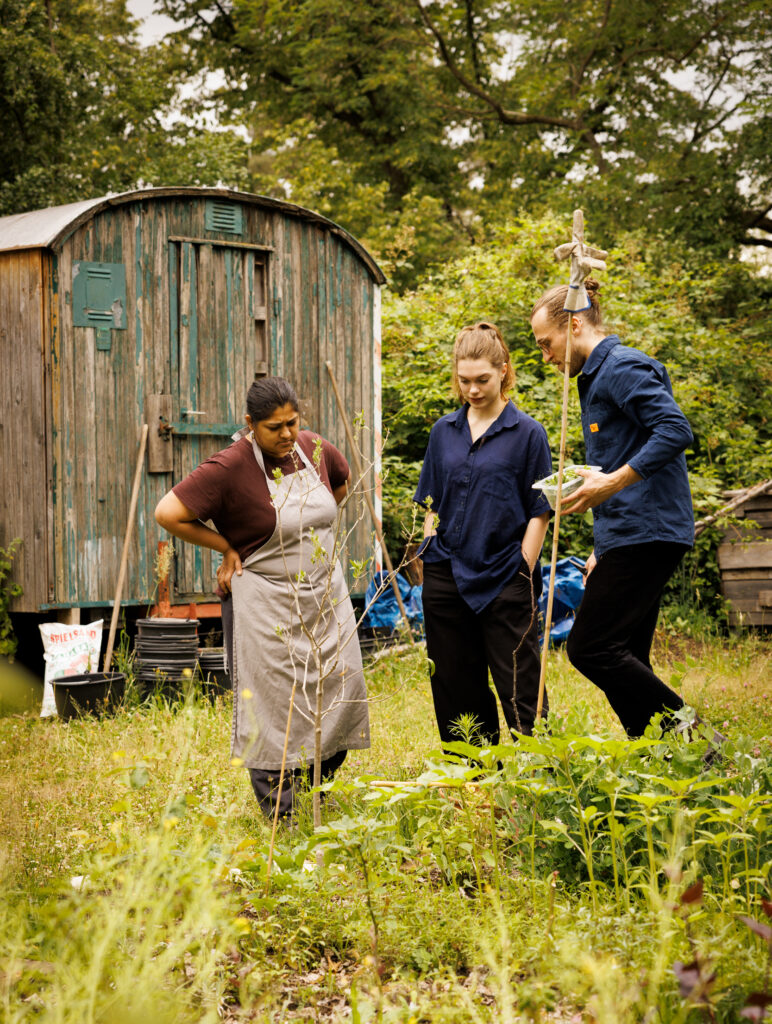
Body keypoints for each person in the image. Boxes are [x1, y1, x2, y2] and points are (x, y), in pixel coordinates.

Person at [155, 377, 370, 816]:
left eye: (293, 422)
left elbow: (340, 489)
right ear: (250, 424)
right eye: (275, 427)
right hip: (265, 599)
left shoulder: (315, 449)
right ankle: (280, 813)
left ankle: (317, 787)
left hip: (325, 594)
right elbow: (168, 513)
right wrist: (226, 547)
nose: (288, 434)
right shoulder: (230, 467)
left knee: (339, 689)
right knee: (272, 704)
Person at [530, 279, 696, 737]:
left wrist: (616, 481)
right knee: (627, 654)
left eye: (547, 343)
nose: (545, 356)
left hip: (650, 531)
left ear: (576, 324)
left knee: (591, 648)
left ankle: (698, 740)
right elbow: (618, 461)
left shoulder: (620, 367)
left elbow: (675, 429)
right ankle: (660, 756)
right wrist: (603, 545)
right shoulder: (595, 379)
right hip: (629, 535)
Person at [414, 322, 552, 746]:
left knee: (520, 684)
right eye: (464, 380)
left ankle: (540, 772)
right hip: (446, 576)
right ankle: (472, 778)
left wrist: (523, 569)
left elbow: (540, 510)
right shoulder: (443, 432)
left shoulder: (528, 433)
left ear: (504, 372)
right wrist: (426, 556)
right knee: (455, 684)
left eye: (482, 380)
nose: (473, 390)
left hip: (503, 575)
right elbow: (430, 503)